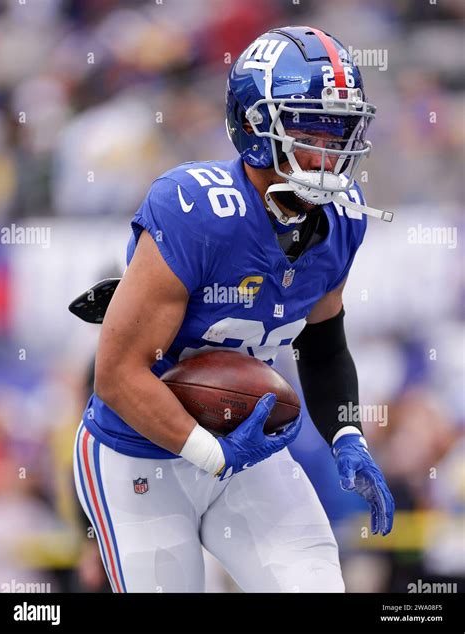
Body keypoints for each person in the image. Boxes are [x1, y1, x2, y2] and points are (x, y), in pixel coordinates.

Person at [73, 26, 395, 593]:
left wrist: (348, 437)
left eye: (339, 127)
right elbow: (116, 374)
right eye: (311, 127)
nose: (331, 148)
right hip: (139, 451)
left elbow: (323, 343)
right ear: (255, 125)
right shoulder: (194, 210)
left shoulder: (343, 216)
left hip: (249, 447)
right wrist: (212, 454)